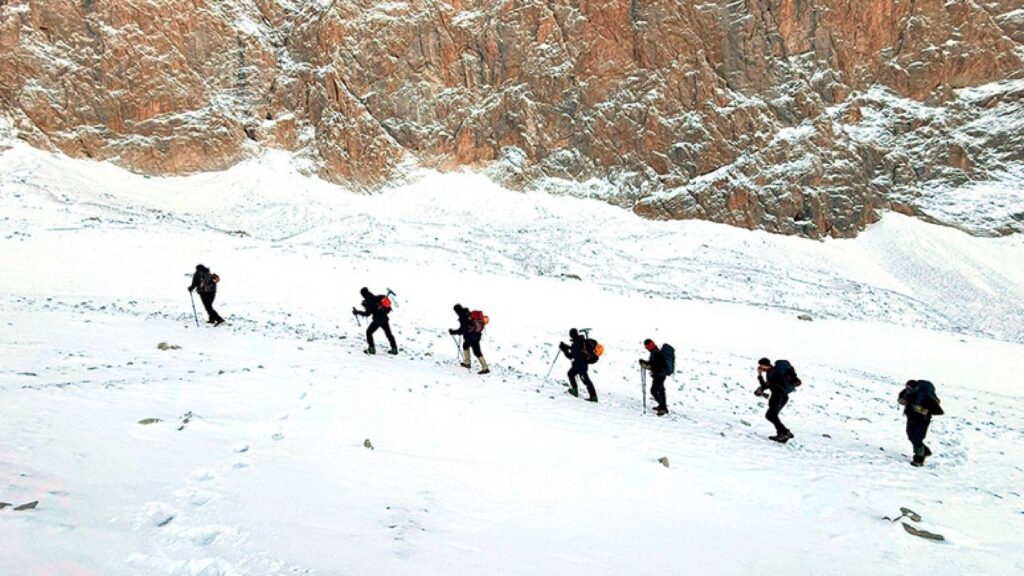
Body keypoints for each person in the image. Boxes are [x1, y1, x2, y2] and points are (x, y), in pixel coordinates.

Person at [898, 380, 943, 467]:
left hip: (923, 420)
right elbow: (901, 397)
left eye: (910, 388)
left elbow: (937, 410)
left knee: (917, 437)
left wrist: (923, 410)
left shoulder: (926, 395)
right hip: (911, 416)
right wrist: (901, 400)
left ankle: (919, 459)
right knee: (910, 435)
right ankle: (925, 451)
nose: (908, 390)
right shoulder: (906, 391)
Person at [755, 357, 800, 443]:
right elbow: (769, 384)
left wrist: (760, 375)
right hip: (782, 396)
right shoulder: (772, 372)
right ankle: (782, 434)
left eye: (761, 366)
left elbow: (766, 386)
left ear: (766, 365)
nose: (761, 368)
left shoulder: (773, 373)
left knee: (770, 415)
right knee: (773, 415)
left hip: (778, 396)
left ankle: (786, 432)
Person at [353, 287, 398, 355]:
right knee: (389, 334)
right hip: (385, 318)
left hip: (377, 320)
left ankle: (371, 349)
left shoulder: (368, 301)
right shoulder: (378, 297)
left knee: (369, 332)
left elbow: (367, 313)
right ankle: (394, 349)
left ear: (363, 294)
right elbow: (387, 308)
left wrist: (357, 312)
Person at [449, 304, 490, 374]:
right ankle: (467, 363)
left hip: (471, 337)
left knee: (476, 351)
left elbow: (462, 330)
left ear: (457, 311)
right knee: (465, 345)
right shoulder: (468, 313)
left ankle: (485, 368)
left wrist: (453, 332)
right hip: (476, 335)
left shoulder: (463, 316)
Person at [559, 328, 597, 402]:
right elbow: (575, 351)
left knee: (586, 380)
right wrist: (566, 347)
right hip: (579, 365)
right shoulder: (579, 341)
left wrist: (564, 349)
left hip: (581, 366)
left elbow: (571, 356)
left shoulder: (576, 343)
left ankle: (593, 397)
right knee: (570, 373)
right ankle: (574, 390)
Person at [639, 339, 668, 416]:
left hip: (659, 375)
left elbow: (655, 365)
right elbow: (653, 363)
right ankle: (662, 406)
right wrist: (645, 363)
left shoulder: (656, 352)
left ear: (650, 345)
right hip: (660, 374)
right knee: (661, 391)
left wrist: (646, 365)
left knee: (654, 391)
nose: (646, 348)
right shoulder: (654, 351)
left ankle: (663, 408)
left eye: (647, 346)